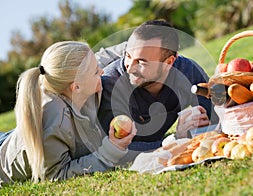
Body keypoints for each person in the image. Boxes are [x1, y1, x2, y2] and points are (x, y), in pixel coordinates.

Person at [0, 41, 136, 186]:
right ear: (76, 87)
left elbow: (106, 56)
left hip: (9, 137)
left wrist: (140, 43)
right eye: (96, 71)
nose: (102, 71)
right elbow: (57, 174)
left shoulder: (78, 77)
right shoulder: (54, 122)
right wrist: (111, 150)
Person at [96, 19, 218, 164]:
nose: (129, 68)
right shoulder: (110, 83)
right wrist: (175, 140)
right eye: (128, 56)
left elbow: (217, 114)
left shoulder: (187, 71)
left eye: (141, 62)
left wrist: (199, 123)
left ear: (168, 62)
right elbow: (121, 150)